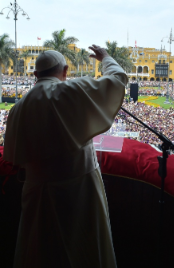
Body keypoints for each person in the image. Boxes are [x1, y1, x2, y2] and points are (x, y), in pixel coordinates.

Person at [3, 45, 128, 268]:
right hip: (77, 192)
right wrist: (106, 58)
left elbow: (14, 156)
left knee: (38, 251)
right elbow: (117, 79)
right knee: (83, 250)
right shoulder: (72, 91)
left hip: (36, 193)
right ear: (65, 71)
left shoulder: (18, 108)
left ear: (35, 76)